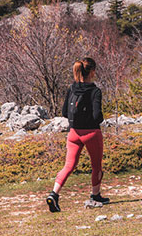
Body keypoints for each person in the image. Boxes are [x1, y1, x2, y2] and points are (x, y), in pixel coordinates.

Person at [46, 57, 107, 212]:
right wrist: (97, 120)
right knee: (96, 166)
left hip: (73, 133)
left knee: (69, 165)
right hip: (91, 133)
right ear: (92, 71)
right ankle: (95, 195)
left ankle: (54, 194)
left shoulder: (72, 89)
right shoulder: (95, 91)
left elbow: (65, 112)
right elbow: (97, 115)